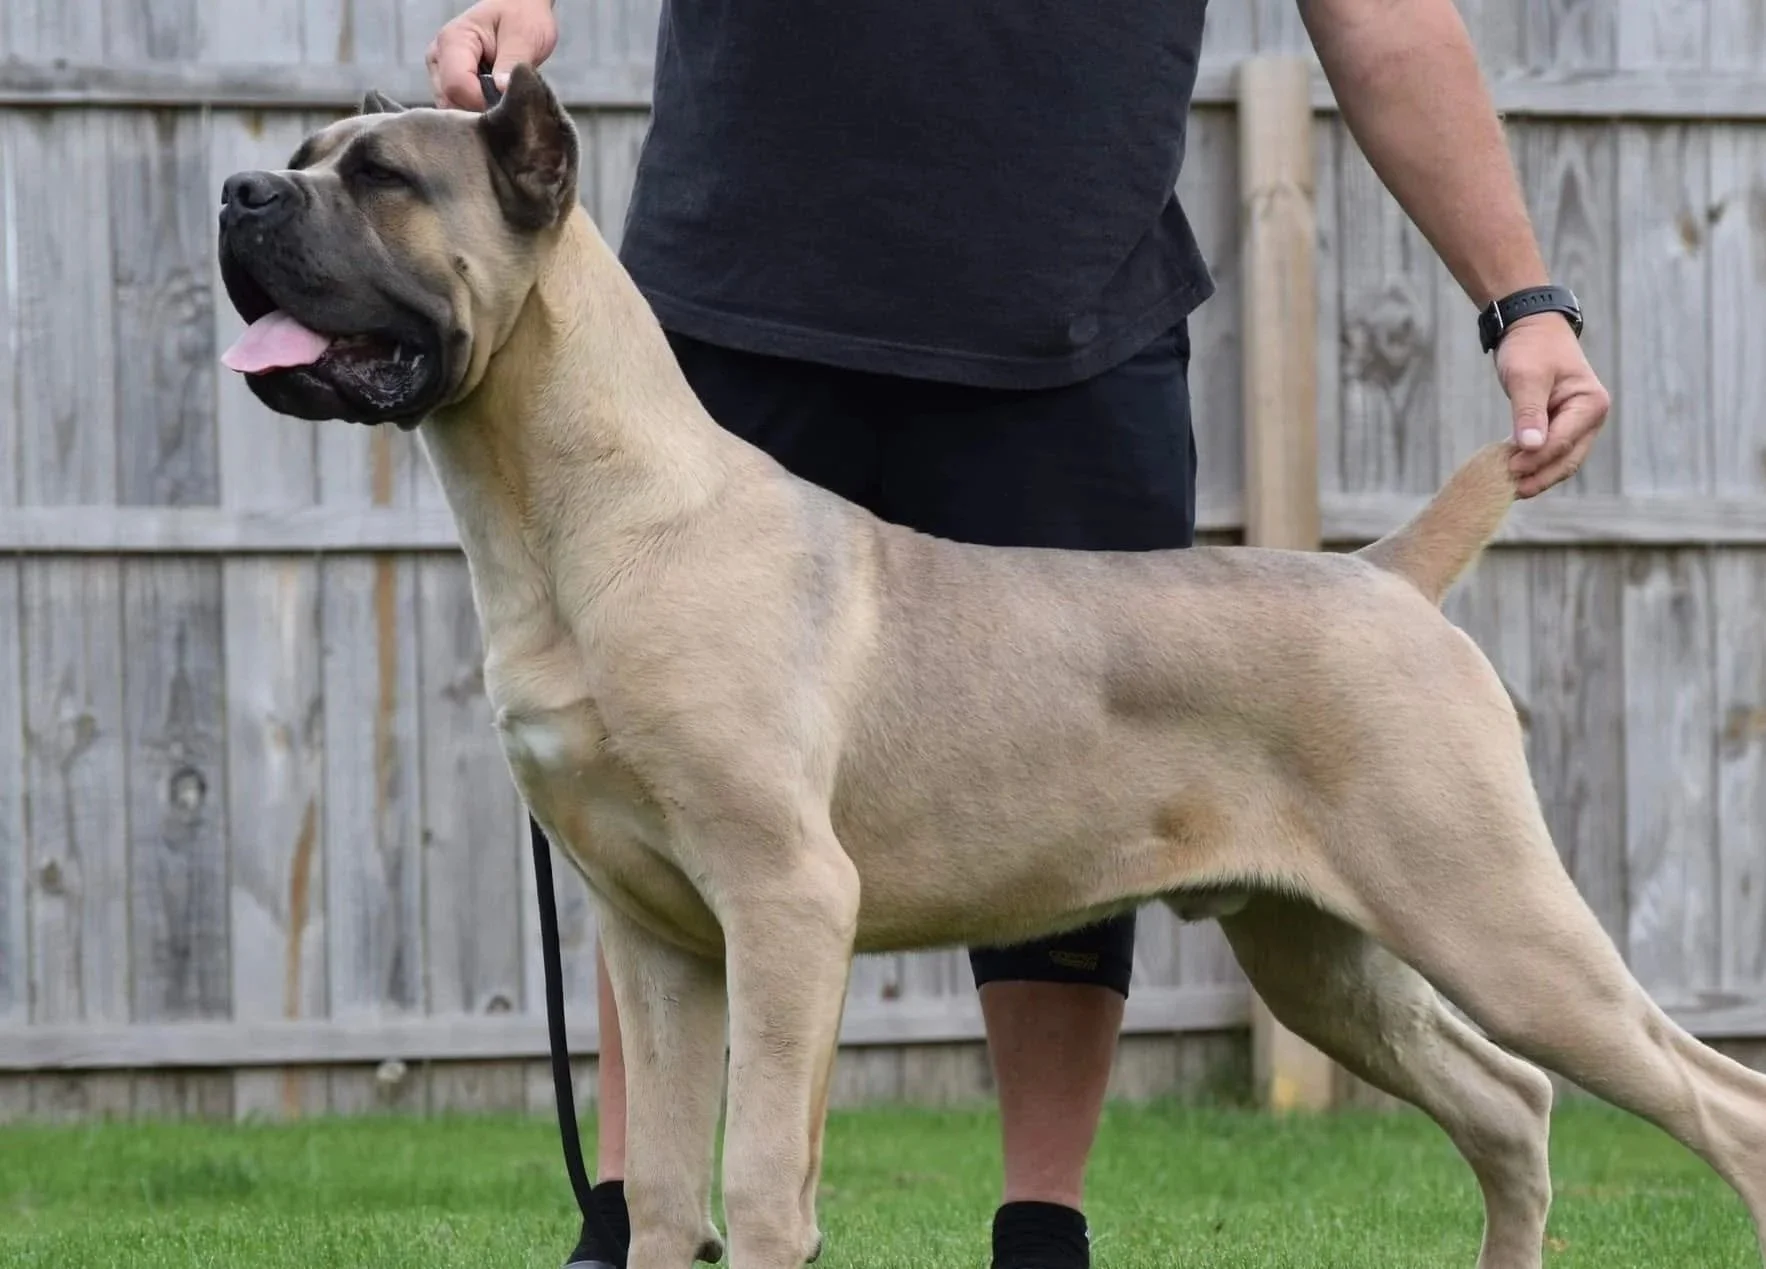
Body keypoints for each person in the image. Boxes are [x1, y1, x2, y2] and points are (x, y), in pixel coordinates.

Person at [427, 2, 1611, 1266]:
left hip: (1064, 312)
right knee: (669, 799)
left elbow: (1382, 20)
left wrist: (1521, 299)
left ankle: (1038, 1233)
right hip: (733, 295)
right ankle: (636, 1226)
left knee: (1078, 803)